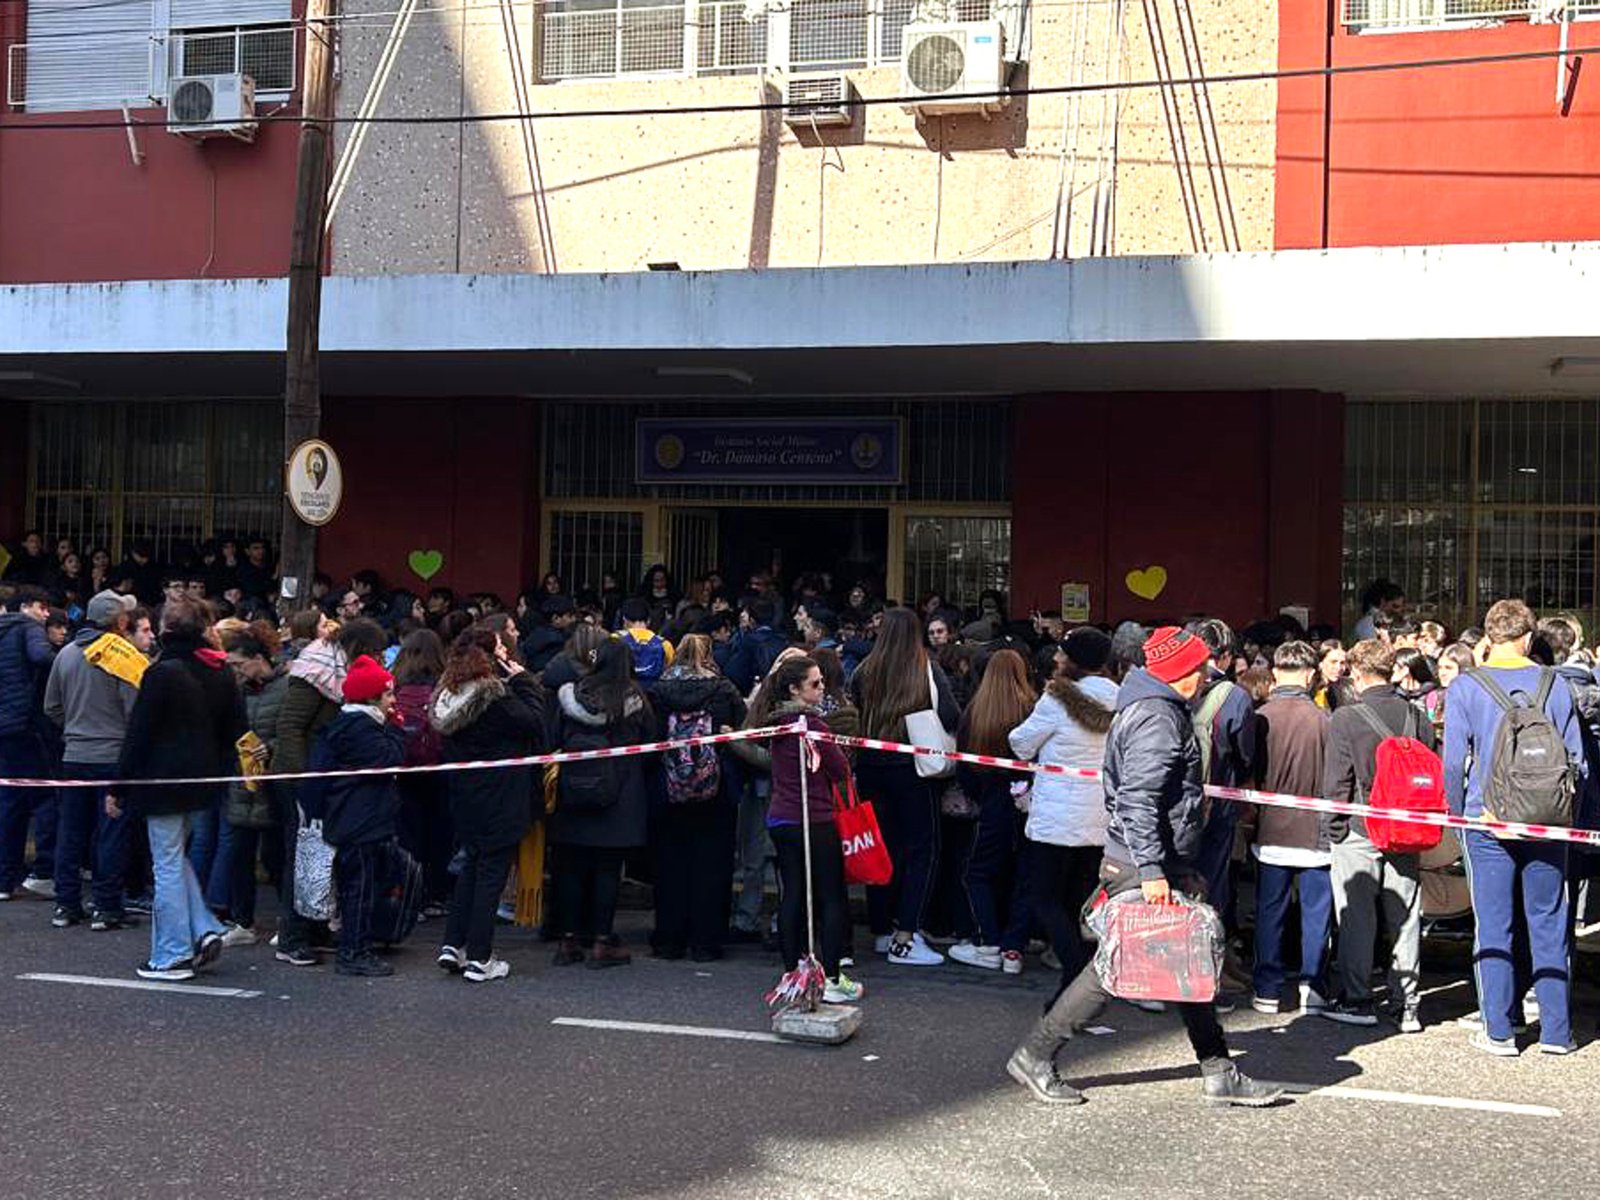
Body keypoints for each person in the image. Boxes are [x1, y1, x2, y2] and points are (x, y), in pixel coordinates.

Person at [1005, 626, 1283, 1108]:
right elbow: (1138, 799)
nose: (1206, 673)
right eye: (1199, 667)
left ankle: (1218, 1069)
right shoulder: (1157, 718)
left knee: (1187, 958)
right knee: (1113, 969)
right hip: (1142, 863)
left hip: (1150, 859)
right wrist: (1154, 870)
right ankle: (1036, 1053)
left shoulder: (1152, 707)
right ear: (1181, 674)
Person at [1443, 600, 1583, 1056]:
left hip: (1487, 820)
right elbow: (1576, 760)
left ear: (1489, 638)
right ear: (1527, 638)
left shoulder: (1466, 687)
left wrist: (1459, 814)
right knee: (1548, 921)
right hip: (1548, 821)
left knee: (1494, 925)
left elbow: (1453, 762)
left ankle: (1499, 1030)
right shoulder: (1554, 684)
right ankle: (1557, 1032)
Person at [110, 598, 246, 982]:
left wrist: (118, 785)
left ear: (167, 628)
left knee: (167, 863)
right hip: (203, 781)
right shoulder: (220, 671)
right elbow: (236, 730)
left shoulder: (162, 672)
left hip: (162, 781)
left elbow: (139, 733)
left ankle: (172, 953)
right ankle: (203, 927)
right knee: (175, 856)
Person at [1321, 637, 1435, 1031]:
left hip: (1360, 825)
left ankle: (1358, 999)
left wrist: (1333, 829)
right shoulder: (1416, 715)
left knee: (1357, 915)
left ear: (1355, 672)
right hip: (1408, 825)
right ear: (1393, 670)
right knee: (1404, 915)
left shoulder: (1346, 718)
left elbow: (1337, 781)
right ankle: (1408, 1004)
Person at [429, 626, 547, 983]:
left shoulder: (447, 696)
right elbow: (534, 723)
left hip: (465, 794)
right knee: (491, 872)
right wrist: (525, 681)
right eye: (499, 649)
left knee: (471, 867)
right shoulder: (495, 697)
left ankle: (454, 944)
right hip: (501, 795)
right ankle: (481, 957)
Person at [272, 617, 388, 967]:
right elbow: (290, 726)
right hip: (303, 777)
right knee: (303, 859)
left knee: (324, 858)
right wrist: (303, 780)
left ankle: (315, 928)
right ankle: (292, 937)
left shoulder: (338, 668)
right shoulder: (315, 670)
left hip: (324, 777)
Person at [850, 606, 959, 966]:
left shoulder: (865, 669)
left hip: (869, 765)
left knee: (881, 848)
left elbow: (854, 709)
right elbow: (950, 715)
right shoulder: (925, 668)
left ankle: (882, 928)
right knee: (922, 850)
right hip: (912, 768)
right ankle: (906, 933)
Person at [1008, 627, 1117, 984]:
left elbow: (1021, 744)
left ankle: (1076, 970)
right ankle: (1080, 970)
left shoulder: (1056, 700)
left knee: (1044, 897)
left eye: (1061, 653)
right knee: (1079, 900)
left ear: (1074, 661)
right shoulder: (1119, 698)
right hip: (1099, 818)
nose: (1056, 659)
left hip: (1056, 820)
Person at [1241, 640, 1333, 1015]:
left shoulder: (1261, 716)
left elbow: (1248, 769)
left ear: (1276, 673)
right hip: (1317, 832)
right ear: (1311, 675)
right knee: (1317, 914)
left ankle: (1267, 987)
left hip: (1270, 829)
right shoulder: (1326, 720)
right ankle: (1313, 985)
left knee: (1269, 911)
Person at [548, 639, 653, 967]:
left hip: (573, 791)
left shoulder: (571, 696)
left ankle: (567, 941)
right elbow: (650, 743)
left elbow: (552, 738)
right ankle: (601, 942)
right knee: (608, 870)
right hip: (619, 795)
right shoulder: (634, 699)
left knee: (570, 868)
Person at [43, 589, 143, 930]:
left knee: (71, 831)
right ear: (119, 620)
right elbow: (134, 711)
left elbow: (51, 707)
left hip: (74, 754)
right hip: (112, 755)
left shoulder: (66, 654)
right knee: (110, 833)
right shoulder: (122, 655)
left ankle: (66, 903)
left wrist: (74, 727)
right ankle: (106, 905)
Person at [764, 655, 862, 1003]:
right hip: (814, 818)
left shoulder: (777, 725)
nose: (822, 689)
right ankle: (832, 977)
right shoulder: (815, 728)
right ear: (795, 688)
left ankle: (792, 972)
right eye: (815, 684)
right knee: (831, 897)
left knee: (792, 894)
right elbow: (839, 771)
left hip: (780, 818)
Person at [307, 655, 407, 978]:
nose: (392, 700)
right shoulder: (362, 729)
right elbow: (389, 759)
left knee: (359, 885)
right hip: (359, 819)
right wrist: (397, 729)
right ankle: (354, 951)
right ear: (372, 697)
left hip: (356, 816)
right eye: (388, 694)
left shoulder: (349, 724)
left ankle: (356, 944)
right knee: (359, 888)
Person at [650, 634, 747, 961]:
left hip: (669, 790)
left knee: (670, 867)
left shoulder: (659, 691)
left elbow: (649, 739)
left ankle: (668, 939)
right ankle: (706, 942)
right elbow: (740, 732)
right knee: (712, 866)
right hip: (715, 791)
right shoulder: (724, 690)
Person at [949, 648, 1036, 974]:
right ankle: (1014, 947)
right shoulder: (1031, 708)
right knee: (1023, 874)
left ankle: (988, 940)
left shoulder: (975, 711)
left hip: (991, 801)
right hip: (1028, 801)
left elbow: (965, 768)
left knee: (979, 872)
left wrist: (981, 795)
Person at [217, 621, 289, 946]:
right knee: (237, 855)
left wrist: (270, 747)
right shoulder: (234, 692)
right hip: (240, 782)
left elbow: (294, 733)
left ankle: (287, 922)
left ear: (258, 657)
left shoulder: (288, 687)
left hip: (274, 785)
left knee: (277, 857)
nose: (235, 671)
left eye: (238, 664)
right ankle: (241, 921)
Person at [0, 585, 58, 901]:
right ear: (25, 607)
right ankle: (43, 871)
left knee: (10, 800)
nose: (46, 614)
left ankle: (4, 877)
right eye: (42, 607)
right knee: (45, 796)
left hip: (4, 728)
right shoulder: (27, 628)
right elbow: (41, 656)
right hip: (25, 724)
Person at [391, 629, 451, 912]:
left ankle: (409, 892)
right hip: (437, 767)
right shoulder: (443, 684)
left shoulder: (396, 684)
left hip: (402, 768)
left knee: (408, 833)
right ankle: (435, 894)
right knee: (438, 831)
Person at [616, 597, 673, 681]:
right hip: (655, 692)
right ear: (649, 620)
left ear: (624, 619)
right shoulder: (665, 644)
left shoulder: (615, 640)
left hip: (624, 691)